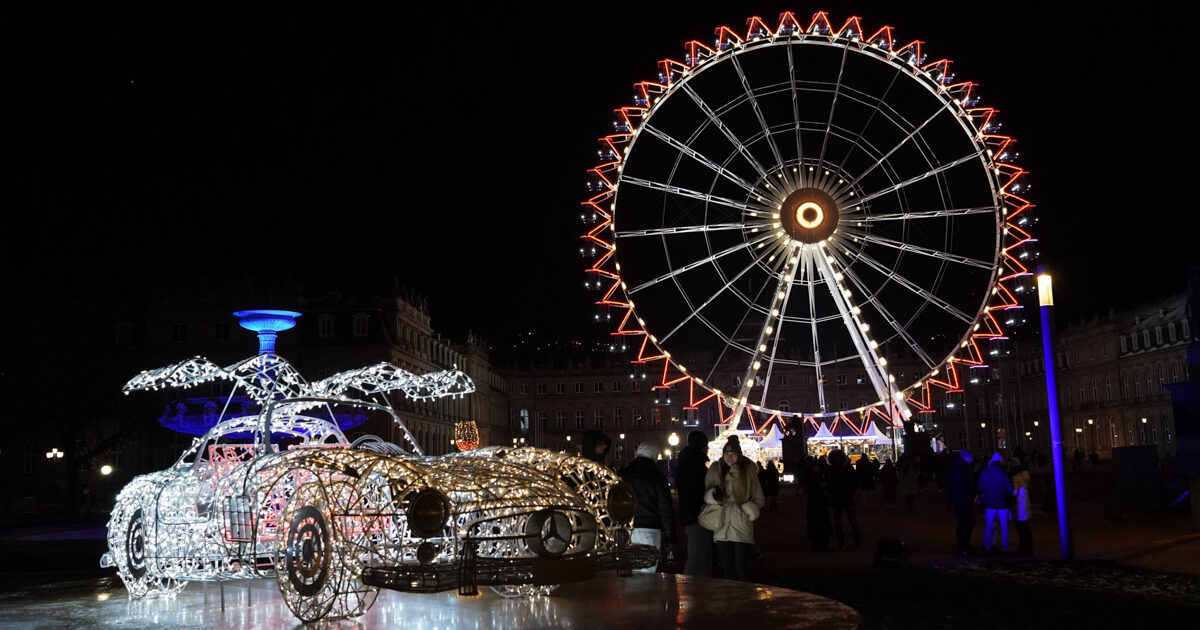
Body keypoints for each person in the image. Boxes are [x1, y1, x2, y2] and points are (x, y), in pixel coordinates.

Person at [703, 436, 765, 580]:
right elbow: (707, 494)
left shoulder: (748, 472)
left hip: (741, 522)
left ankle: (742, 596)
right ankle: (729, 597)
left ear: (739, 455)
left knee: (740, 565)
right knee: (726, 565)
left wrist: (750, 509)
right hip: (722, 522)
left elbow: (759, 498)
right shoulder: (716, 471)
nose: (729, 457)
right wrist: (713, 496)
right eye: (726, 454)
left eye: (732, 454)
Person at [619, 442, 675, 573]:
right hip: (650, 528)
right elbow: (665, 508)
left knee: (631, 569)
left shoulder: (623, 474)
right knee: (647, 570)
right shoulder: (657, 477)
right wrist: (669, 536)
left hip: (626, 527)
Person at [675, 430, 713, 576]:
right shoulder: (696, 465)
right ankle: (693, 588)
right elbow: (700, 491)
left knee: (696, 554)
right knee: (699, 556)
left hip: (690, 514)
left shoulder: (684, 463)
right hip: (699, 515)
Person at [978, 452, 1013, 554]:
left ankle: (987, 547)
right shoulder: (1003, 473)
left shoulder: (984, 473)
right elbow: (1009, 490)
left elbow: (980, 487)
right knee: (1004, 527)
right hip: (1002, 503)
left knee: (989, 526)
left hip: (989, 503)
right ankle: (1005, 549)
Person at [826, 449, 861, 550]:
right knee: (846, 521)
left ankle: (845, 544)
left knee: (843, 521)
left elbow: (829, 483)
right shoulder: (846, 468)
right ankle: (853, 543)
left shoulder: (832, 469)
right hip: (843, 496)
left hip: (840, 496)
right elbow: (855, 481)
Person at [947, 449, 977, 555]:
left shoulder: (960, 467)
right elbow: (958, 485)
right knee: (964, 522)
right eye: (971, 457)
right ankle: (963, 545)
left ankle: (964, 544)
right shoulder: (959, 468)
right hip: (961, 499)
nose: (972, 459)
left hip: (962, 499)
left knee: (965, 522)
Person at [804, 456, 832, 551]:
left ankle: (817, 543)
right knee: (821, 523)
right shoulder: (816, 474)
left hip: (814, 502)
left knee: (816, 523)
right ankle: (821, 543)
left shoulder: (810, 474)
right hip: (818, 502)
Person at [1011, 458, 1033, 556]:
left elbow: (1014, 492)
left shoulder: (1015, 477)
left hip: (1019, 503)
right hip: (1025, 500)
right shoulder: (1025, 474)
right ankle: (1029, 548)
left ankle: (1023, 549)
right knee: (1026, 527)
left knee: (1021, 527)